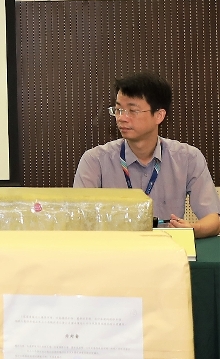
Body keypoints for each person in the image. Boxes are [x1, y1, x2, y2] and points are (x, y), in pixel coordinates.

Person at [74, 72, 220, 237]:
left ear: (159, 115)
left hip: (167, 247)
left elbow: (213, 220)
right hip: (115, 248)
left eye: (132, 111)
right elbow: (78, 220)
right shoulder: (95, 160)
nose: (122, 118)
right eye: (119, 110)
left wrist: (190, 230)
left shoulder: (188, 158)